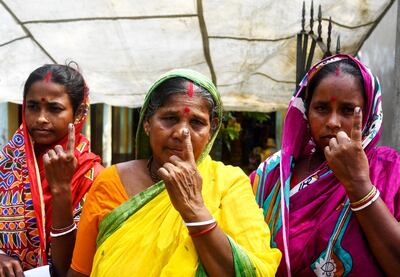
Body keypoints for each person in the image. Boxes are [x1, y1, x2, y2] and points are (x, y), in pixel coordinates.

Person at [70, 69, 281, 276]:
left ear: (211, 130)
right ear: (147, 123)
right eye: (170, 118)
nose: (182, 132)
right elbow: (81, 271)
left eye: (197, 122)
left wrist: (195, 210)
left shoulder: (230, 184)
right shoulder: (111, 181)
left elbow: (252, 272)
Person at [250, 54, 400, 276]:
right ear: (306, 112)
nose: (333, 122)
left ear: (368, 113)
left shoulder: (388, 170)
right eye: (321, 108)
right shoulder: (272, 175)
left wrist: (359, 185)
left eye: (348, 110)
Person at [0, 64, 103, 276]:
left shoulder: (94, 177)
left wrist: (62, 190)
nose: (40, 118)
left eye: (54, 108)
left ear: (79, 112)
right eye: (33, 106)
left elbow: (72, 266)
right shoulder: (6, 164)